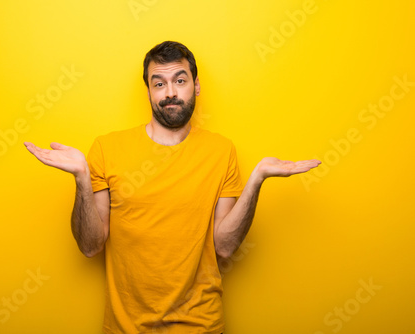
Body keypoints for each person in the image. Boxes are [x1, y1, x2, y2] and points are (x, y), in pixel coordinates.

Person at [24, 41, 320, 334]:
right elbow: (90, 246)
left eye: (180, 80)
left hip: (200, 325)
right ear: (149, 91)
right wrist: (81, 178)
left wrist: (256, 180)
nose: (170, 93)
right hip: (125, 328)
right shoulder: (106, 148)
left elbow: (226, 246)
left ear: (196, 85)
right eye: (159, 83)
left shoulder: (221, 151)